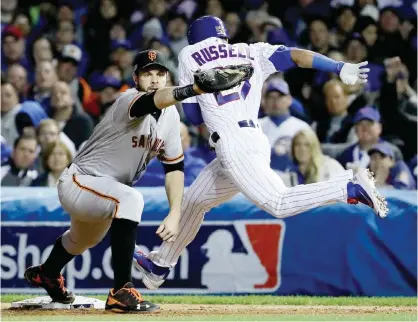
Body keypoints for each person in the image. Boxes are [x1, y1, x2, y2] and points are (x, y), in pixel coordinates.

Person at [133, 15, 388, 291]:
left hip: (232, 140)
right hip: (253, 138)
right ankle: (160, 263)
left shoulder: (190, 52)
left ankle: (349, 187)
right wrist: (337, 66)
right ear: (223, 36)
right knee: (194, 200)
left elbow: (194, 116)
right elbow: (296, 56)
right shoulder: (252, 51)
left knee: (278, 202)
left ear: (195, 37)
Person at [24, 49, 244, 313]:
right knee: (130, 199)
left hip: (104, 193)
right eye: (147, 73)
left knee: (81, 240)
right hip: (79, 181)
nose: (154, 79)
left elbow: (174, 167)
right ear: (135, 78)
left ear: (167, 76)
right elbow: (151, 102)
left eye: (160, 73)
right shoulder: (128, 99)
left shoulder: (171, 117)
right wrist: (193, 89)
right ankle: (121, 292)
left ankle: (47, 273)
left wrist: (175, 213)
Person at [273, 129, 345, 187]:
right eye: (298, 144)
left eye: (307, 145)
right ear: (293, 149)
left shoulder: (330, 166)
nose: (302, 149)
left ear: (314, 147)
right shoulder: (289, 174)